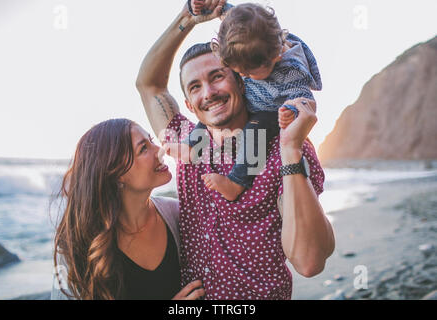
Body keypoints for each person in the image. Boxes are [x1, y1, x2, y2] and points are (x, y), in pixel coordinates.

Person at [136, 0, 335, 300]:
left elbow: (309, 261)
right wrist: (188, 18)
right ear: (189, 105)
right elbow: (148, 84)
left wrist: (291, 150)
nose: (209, 93)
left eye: (217, 76)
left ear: (242, 79)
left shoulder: (283, 149)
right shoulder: (187, 142)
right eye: (195, 87)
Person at [51, 118, 204, 300]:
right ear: (116, 175)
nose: (161, 150)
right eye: (143, 148)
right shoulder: (77, 244)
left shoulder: (177, 215)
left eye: (151, 141)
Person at [183, 1, 322, 201]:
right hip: (251, 99)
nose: (243, 76)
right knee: (211, 113)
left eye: (248, 73)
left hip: (269, 111)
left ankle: (237, 182)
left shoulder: (291, 71)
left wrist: (291, 110)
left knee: (255, 131)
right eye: (238, 72)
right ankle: (191, 144)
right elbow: (235, 17)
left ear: (275, 56)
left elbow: (307, 103)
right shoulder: (250, 32)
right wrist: (209, 5)